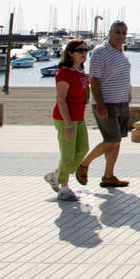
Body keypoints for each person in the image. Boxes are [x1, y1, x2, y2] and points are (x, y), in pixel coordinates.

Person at [77, 21, 131, 188]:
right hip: (107, 103)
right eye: (117, 32)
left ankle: (108, 176)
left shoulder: (121, 53)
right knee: (111, 139)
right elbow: (94, 79)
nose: (120, 36)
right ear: (109, 32)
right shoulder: (100, 52)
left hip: (122, 102)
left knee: (116, 141)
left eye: (123, 32)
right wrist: (100, 104)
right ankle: (84, 164)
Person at [45, 39, 91, 202]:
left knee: (82, 150)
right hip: (66, 119)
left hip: (79, 117)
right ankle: (63, 188)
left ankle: (56, 175)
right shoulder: (64, 73)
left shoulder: (80, 71)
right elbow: (61, 99)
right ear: (70, 53)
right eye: (80, 50)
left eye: (86, 50)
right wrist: (68, 124)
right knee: (68, 154)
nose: (84, 53)